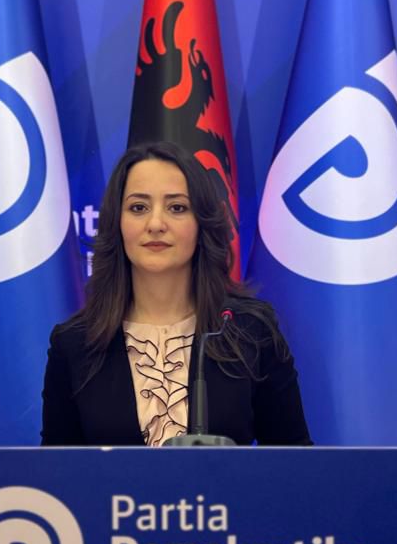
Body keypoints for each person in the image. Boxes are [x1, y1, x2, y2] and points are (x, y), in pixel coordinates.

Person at [41, 141, 312, 446]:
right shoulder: (75, 343)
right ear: (117, 223)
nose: (156, 224)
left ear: (201, 224)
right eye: (138, 208)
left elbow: (294, 462)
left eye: (177, 208)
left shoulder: (249, 330)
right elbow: (58, 468)